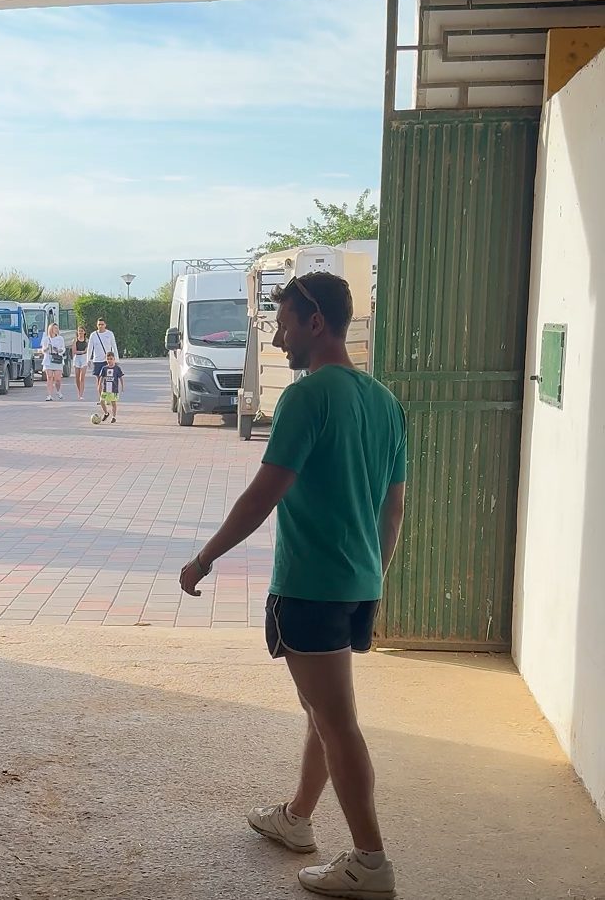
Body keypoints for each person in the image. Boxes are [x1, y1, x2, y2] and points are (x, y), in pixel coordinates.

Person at [178, 272, 406, 900]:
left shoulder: (307, 400)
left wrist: (204, 558)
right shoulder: (384, 402)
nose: (275, 337)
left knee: (336, 721)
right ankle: (298, 820)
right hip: (357, 582)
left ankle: (370, 860)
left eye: (281, 323)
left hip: (310, 586)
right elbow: (394, 508)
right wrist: (376, 572)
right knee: (324, 708)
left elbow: (263, 495)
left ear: (315, 322)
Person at [87, 317, 119, 404]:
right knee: (99, 380)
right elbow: (90, 348)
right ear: (97, 325)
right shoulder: (93, 335)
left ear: (105, 325)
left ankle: (108, 398)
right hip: (97, 360)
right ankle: (101, 398)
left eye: (102, 324)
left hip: (107, 360)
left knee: (108, 380)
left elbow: (114, 346)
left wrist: (116, 359)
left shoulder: (109, 334)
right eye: (99, 325)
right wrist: (88, 359)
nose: (100, 326)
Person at [41, 321, 66, 400]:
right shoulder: (46, 339)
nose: (56, 329)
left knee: (57, 379)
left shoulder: (60, 338)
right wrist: (46, 349)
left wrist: (59, 350)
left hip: (57, 359)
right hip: (48, 359)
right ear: (51, 329)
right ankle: (49, 395)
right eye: (54, 328)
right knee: (49, 377)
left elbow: (63, 348)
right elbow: (43, 349)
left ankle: (58, 391)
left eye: (57, 328)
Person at [96, 351, 124, 423]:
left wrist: (122, 386)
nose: (109, 361)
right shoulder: (104, 368)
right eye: (108, 359)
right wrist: (99, 385)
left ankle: (114, 417)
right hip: (105, 389)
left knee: (113, 403)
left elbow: (120, 378)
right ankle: (106, 413)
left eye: (111, 359)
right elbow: (101, 377)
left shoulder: (117, 368)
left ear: (114, 359)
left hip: (113, 390)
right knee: (102, 401)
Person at [72, 325, 90, 400]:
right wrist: (81, 351)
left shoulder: (87, 340)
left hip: (84, 358)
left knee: (82, 377)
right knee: (77, 377)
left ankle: (81, 394)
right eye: (79, 331)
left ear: (84, 332)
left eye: (82, 331)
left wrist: (83, 352)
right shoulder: (75, 340)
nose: (80, 332)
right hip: (77, 358)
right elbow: (74, 351)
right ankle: (79, 391)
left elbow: (87, 350)